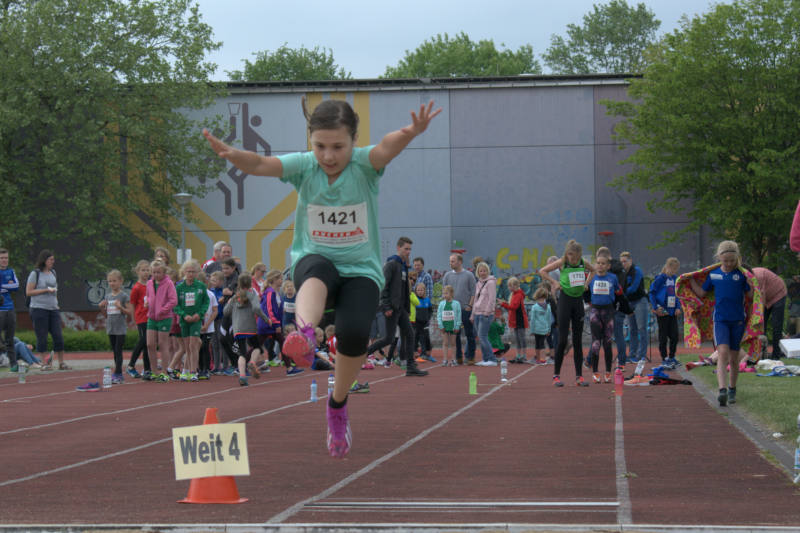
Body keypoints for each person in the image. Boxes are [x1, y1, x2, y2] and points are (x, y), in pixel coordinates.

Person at [204, 97, 441, 458]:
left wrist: (412, 130)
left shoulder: (364, 165)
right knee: (315, 274)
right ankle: (304, 332)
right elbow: (261, 163)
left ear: (354, 140)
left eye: (338, 147)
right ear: (309, 140)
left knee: (354, 334)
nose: (328, 156)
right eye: (320, 146)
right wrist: (232, 154)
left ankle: (337, 404)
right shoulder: (303, 167)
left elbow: (386, 147)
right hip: (314, 258)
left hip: (360, 269)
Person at [689, 241, 750, 406]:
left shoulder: (741, 275)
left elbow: (751, 294)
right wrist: (691, 281)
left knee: (734, 358)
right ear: (719, 258)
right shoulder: (714, 275)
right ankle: (722, 390)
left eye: (732, 260)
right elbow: (702, 292)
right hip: (721, 320)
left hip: (738, 321)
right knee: (722, 352)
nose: (729, 264)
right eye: (726, 261)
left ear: (737, 259)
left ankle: (732, 389)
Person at [366, 236, 428, 377]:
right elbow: (384, 286)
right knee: (388, 338)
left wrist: (406, 306)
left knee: (410, 334)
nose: (408, 252)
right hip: (392, 308)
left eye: (410, 249)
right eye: (406, 249)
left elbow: (405, 289)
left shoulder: (403, 266)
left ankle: (411, 366)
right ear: (398, 248)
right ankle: (362, 355)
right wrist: (386, 306)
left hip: (401, 309)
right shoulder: (392, 264)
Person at [539, 240, 594, 387]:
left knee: (577, 341)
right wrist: (554, 283)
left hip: (578, 303)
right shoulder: (563, 262)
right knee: (562, 340)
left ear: (579, 255)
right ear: (567, 254)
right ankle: (556, 376)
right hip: (565, 301)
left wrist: (586, 283)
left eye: (576, 258)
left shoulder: (583, 262)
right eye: (572, 257)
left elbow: (593, 270)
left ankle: (579, 377)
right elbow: (542, 271)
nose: (574, 260)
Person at [26, 250, 70, 370]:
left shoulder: (53, 273)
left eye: (53, 259)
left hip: (53, 309)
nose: (53, 262)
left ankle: (61, 362)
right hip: (39, 309)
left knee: (58, 336)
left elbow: (55, 289)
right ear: (44, 260)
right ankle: (43, 363)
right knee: (42, 336)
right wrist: (45, 290)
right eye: (50, 259)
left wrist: (56, 303)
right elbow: (29, 292)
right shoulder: (35, 274)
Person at [223, 273, 270, 386]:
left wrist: (231, 302)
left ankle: (242, 376)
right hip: (249, 326)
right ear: (250, 283)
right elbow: (257, 308)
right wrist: (266, 319)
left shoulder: (235, 296)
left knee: (242, 353)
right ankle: (253, 362)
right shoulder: (252, 292)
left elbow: (225, 312)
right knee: (258, 347)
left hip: (238, 328)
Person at [586, 254, 622, 383]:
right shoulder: (591, 277)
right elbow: (585, 292)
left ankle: (607, 372)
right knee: (596, 343)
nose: (600, 265)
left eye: (603, 263)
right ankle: (595, 372)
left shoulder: (613, 278)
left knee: (607, 342)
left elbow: (618, 292)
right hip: (595, 312)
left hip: (608, 311)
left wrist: (621, 307)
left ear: (608, 266)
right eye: (598, 263)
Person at [173, 259, 209, 382]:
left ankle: (194, 371)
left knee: (193, 344)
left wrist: (199, 314)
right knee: (187, 346)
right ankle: (186, 370)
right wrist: (183, 315)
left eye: (193, 272)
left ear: (197, 273)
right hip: (184, 320)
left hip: (196, 320)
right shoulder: (179, 287)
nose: (190, 274)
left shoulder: (201, 286)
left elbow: (206, 302)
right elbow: (175, 305)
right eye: (188, 272)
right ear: (184, 272)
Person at [98, 269, 133, 384]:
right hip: (111, 328)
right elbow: (106, 315)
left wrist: (120, 307)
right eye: (110, 281)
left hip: (120, 329)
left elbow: (129, 312)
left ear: (120, 281)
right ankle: (118, 373)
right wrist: (102, 307)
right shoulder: (108, 296)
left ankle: (118, 373)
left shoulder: (123, 296)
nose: (112, 283)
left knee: (118, 350)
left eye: (114, 281)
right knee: (115, 351)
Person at [145, 259, 177, 382]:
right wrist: (147, 302)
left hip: (164, 317)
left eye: (158, 272)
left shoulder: (168, 283)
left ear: (163, 272)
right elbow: (148, 296)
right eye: (153, 272)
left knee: (163, 344)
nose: (156, 275)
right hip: (152, 317)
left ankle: (164, 371)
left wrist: (163, 309)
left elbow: (173, 300)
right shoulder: (149, 283)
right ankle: (154, 371)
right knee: (150, 344)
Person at [442, 253, 476, 365]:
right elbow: (444, 293)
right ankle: (458, 357)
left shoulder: (469, 275)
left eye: (453, 261)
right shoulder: (447, 276)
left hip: (465, 309)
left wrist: (469, 306)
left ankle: (471, 357)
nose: (450, 263)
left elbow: (473, 292)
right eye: (450, 261)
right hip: (452, 311)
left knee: (469, 334)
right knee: (454, 334)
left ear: (460, 262)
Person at [649, 257, 683, 368]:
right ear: (667, 267)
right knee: (663, 337)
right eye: (672, 269)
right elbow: (652, 293)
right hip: (662, 312)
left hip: (672, 311)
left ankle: (672, 357)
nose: (673, 272)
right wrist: (655, 307)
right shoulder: (660, 279)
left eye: (675, 270)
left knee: (674, 336)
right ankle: (664, 359)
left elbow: (677, 294)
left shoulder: (675, 279)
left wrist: (678, 307)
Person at [751, 266, 787, 359]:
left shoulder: (758, 277)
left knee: (776, 326)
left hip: (778, 293)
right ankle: (759, 355)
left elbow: (761, 299)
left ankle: (776, 355)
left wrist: (758, 318)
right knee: (760, 326)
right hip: (767, 296)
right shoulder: (745, 279)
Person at [620, 251, 649, 363]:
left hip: (640, 301)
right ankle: (632, 354)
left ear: (630, 261)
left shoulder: (637, 271)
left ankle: (641, 355)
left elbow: (634, 287)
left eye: (625, 261)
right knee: (632, 330)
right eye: (621, 261)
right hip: (629, 302)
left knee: (642, 328)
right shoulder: (622, 273)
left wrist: (622, 294)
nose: (623, 264)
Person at [126, 260, 151, 378]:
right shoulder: (136, 288)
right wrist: (134, 319)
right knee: (143, 340)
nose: (145, 272)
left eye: (147, 270)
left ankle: (147, 369)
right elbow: (132, 304)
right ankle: (131, 365)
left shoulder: (151, 285)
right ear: (138, 272)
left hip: (151, 317)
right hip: (141, 318)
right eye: (143, 270)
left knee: (148, 344)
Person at [472, 261, 498, 366]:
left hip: (485, 314)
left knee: (483, 336)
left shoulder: (491, 283)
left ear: (488, 271)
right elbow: (475, 299)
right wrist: (472, 314)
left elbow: (492, 299)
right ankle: (485, 359)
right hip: (477, 313)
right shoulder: (478, 283)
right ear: (478, 272)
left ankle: (492, 359)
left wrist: (487, 312)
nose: (483, 273)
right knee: (480, 336)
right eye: (481, 271)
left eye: (484, 270)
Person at [500, 276, 529, 364]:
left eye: (510, 286)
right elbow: (512, 305)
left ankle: (523, 356)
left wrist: (503, 304)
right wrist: (504, 303)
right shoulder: (514, 294)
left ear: (515, 285)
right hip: (516, 319)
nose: (509, 288)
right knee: (518, 339)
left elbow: (514, 307)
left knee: (521, 338)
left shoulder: (518, 294)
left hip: (519, 320)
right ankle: (519, 355)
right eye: (509, 286)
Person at [0, 248, 20, 368]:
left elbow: (16, 286)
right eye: (2, 258)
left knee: (10, 338)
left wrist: (3, 286)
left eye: (6, 258)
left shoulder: (11, 271)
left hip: (10, 308)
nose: (4, 260)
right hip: (0, 310)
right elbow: (11, 287)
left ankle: (13, 364)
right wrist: (8, 286)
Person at [437, 285, 462, 366]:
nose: (444, 295)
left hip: (453, 326)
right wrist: (441, 325)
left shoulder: (456, 303)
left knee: (453, 343)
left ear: (451, 293)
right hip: (444, 326)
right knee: (445, 343)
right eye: (443, 293)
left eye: (446, 293)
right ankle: (445, 360)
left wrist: (457, 326)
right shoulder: (441, 303)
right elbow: (439, 315)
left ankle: (454, 359)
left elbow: (459, 315)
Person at [530, 286, 553, 364]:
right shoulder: (548, 307)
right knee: (542, 344)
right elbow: (549, 319)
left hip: (536, 329)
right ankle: (543, 359)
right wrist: (549, 329)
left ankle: (538, 359)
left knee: (537, 344)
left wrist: (532, 330)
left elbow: (532, 320)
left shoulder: (534, 307)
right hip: (544, 329)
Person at [413, 282, 434, 361]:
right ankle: (414, 352)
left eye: (421, 290)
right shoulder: (415, 300)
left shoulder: (427, 300)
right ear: (416, 291)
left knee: (425, 337)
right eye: (418, 290)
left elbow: (430, 310)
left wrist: (428, 318)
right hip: (416, 322)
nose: (420, 291)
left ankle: (424, 353)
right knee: (415, 337)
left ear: (424, 291)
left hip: (425, 322)